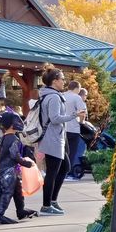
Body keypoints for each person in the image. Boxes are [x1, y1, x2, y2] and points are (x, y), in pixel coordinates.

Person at [36, 69, 85, 215]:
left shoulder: (50, 95)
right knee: (53, 171)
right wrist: (74, 115)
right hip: (53, 138)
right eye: (62, 78)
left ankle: (52, 201)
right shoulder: (54, 97)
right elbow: (55, 118)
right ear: (55, 80)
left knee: (64, 168)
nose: (64, 81)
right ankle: (46, 205)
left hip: (55, 137)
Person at [0, 112, 37, 225]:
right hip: (8, 172)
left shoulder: (6, 137)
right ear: (11, 125)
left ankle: (21, 211)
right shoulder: (13, 139)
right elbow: (15, 156)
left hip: (8, 170)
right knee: (7, 193)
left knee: (17, 192)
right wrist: (28, 164)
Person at [64, 80, 88, 179]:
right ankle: (68, 173)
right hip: (73, 128)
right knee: (72, 152)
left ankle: (61, 172)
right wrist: (82, 122)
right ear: (77, 88)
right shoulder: (77, 97)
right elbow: (83, 112)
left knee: (63, 151)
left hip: (61, 128)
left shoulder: (62, 95)